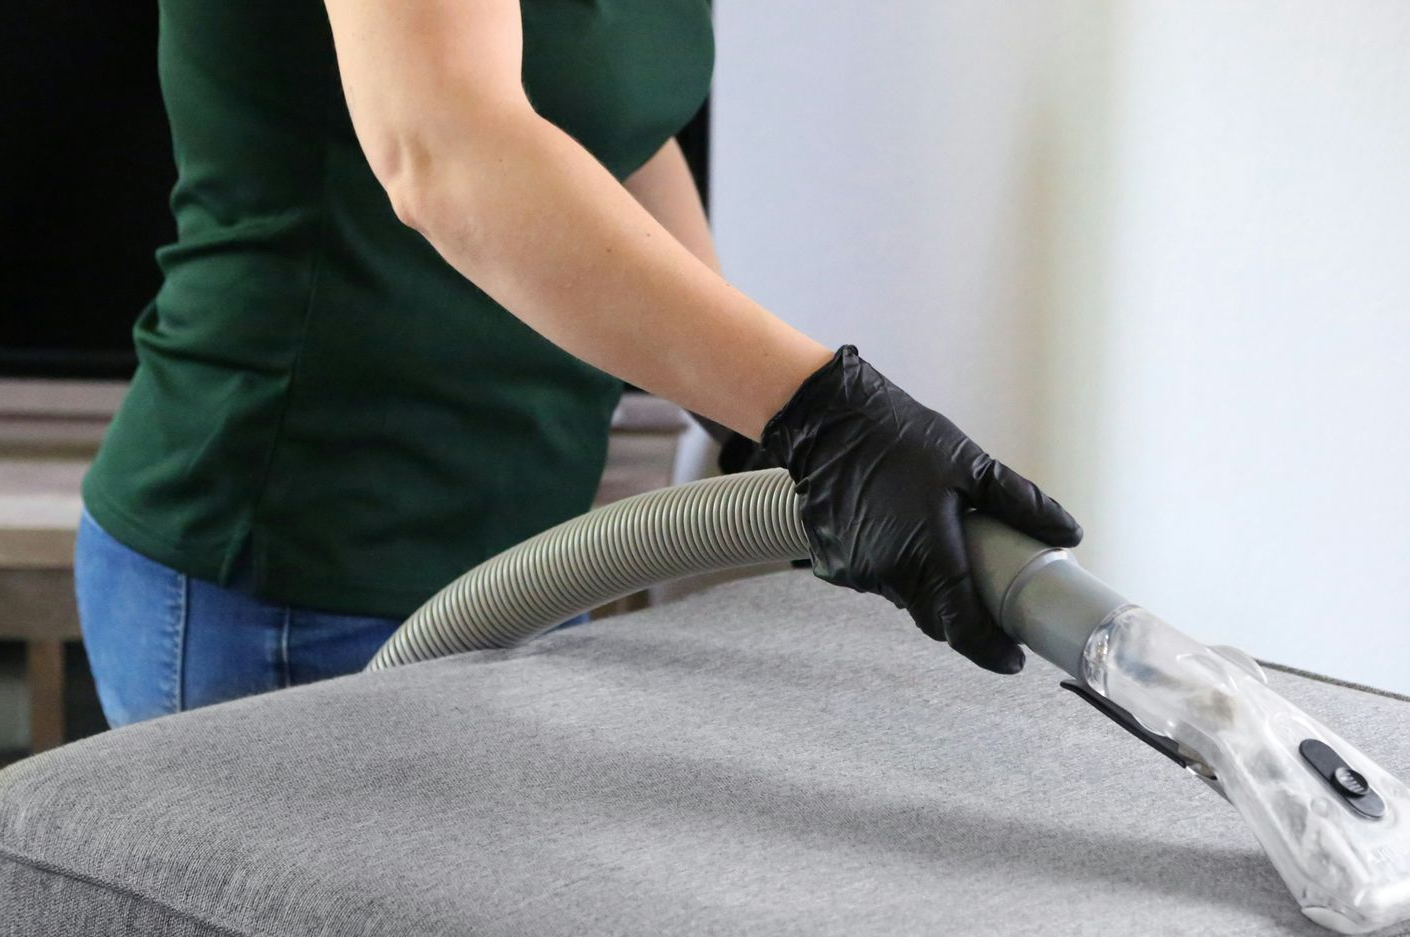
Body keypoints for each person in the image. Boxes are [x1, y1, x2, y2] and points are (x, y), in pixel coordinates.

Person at [76, 0, 1082, 728]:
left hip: (516, 549)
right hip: (294, 571)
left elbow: (606, 126)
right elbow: (445, 147)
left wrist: (749, 422)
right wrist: (829, 417)